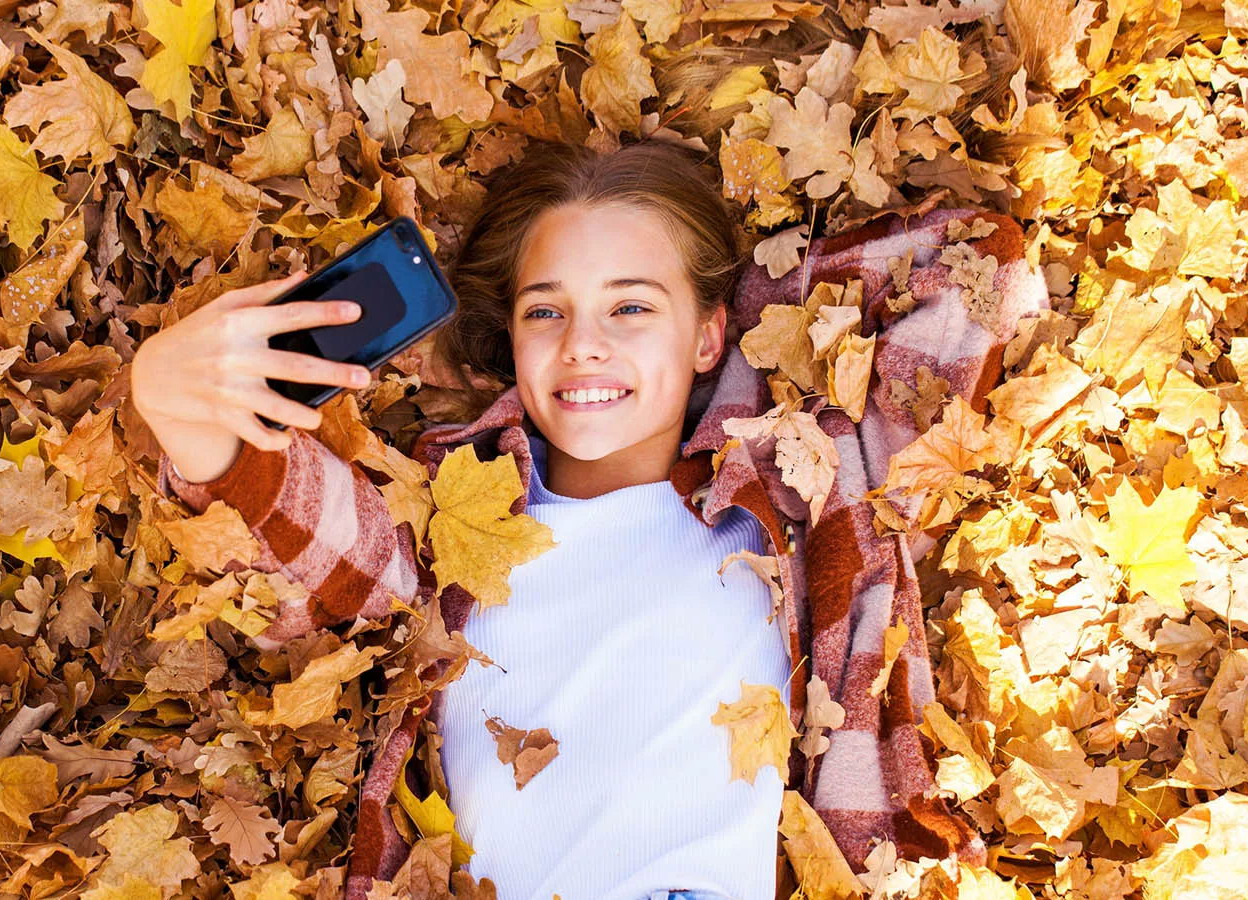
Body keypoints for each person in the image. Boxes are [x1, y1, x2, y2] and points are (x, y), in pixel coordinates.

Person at [130, 139, 1047, 900]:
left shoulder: (801, 497)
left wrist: (738, 329)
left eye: (630, 306)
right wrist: (165, 393)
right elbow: (287, 536)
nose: (584, 344)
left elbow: (981, 264)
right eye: (546, 311)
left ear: (708, 333)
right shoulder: (451, 537)